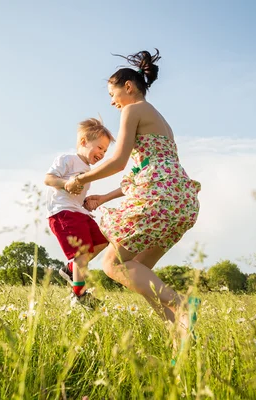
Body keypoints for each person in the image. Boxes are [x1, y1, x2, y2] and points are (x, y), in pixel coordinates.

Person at [66, 49, 201, 339]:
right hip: (181, 200)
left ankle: (183, 307)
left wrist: (82, 178)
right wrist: (103, 198)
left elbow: (118, 161)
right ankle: (181, 337)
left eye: (112, 93)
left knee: (112, 264)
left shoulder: (133, 110)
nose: (111, 101)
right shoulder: (161, 121)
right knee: (138, 271)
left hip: (159, 197)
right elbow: (142, 173)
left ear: (128, 87)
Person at [44, 118, 114, 308]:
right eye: (99, 147)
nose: (102, 153)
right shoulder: (67, 160)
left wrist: (86, 201)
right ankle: (79, 294)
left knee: (102, 241)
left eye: (105, 151)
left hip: (78, 210)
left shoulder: (88, 170)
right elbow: (49, 179)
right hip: (63, 212)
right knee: (81, 251)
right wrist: (65, 184)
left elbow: (78, 193)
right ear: (83, 142)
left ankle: (70, 269)